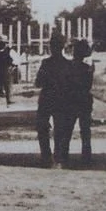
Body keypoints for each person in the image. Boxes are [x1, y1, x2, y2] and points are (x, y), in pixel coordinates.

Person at [35, 30, 73, 167]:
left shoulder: (46, 63)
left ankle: (46, 157)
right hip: (61, 99)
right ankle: (58, 158)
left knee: (43, 128)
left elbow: (38, 82)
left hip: (48, 98)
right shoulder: (68, 64)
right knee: (59, 129)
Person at [66, 39, 94, 164]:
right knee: (85, 130)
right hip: (83, 101)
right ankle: (86, 156)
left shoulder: (68, 67)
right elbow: (89, 86)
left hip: (71, 101)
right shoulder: (87, 69)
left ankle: (64, 154)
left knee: (67, 129)